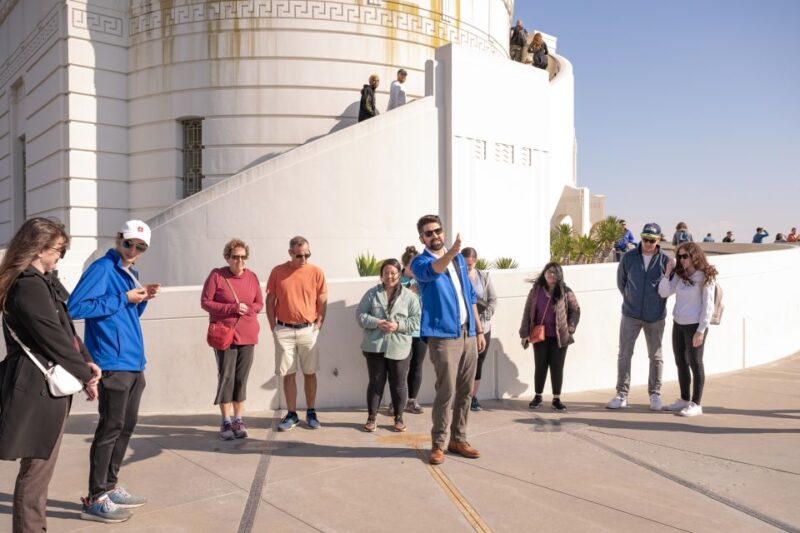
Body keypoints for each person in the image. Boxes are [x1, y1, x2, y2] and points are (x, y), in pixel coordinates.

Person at [0, 218, 101, 532]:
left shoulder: (41, 280)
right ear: (38, 247)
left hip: (46, 385)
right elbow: (51, 337)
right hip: (36, 388)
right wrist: (85, 374)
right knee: (36, 470)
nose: (61, 256)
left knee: (40, 468)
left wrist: (86, 361)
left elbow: (65, 331)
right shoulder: (28, 284)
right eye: (58, 249)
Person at [68, 220, 160, 522]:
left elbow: (125, 315)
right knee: (110, 428)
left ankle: (109, 485)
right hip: (111, 362)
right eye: (129, 243)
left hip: (133, 362)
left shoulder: (128, 273)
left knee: (126, 426)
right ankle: (95, 498)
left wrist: (141, 298)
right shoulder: (102, 269)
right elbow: (75, 308)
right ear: (119, 238)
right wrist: (123, 298)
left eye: (140, 247)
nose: (133, 250)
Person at [411, 215, 486, 465]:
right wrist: (452, 251)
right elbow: (434, 271)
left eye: (437, 231)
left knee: (466, 391)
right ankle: (438, 443)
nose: (435, 236)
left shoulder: (458, 261)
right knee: (447, 390)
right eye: (428, 233)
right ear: (422, 238)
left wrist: (478, 330)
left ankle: (458, 438)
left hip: (468, 333)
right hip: (442, 336)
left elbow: (470, 296)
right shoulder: (420, 262)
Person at [201, 239, 263, 440]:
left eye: (243, 257)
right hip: (225, 335)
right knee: (226, 377)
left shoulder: (252, 277)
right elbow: (205, 302)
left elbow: (259, 303)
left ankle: (238, 419)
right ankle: (226, 421)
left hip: (248, 335)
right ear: (227, 257)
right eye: (235, 257)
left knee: (240, 379)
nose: (240, 261)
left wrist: (250, 310)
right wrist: (232, 308)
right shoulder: (217, 276)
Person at [266, 236, 327, 431]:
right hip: (283, 329)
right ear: (291, 253)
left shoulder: (316, 272)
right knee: (288, 374)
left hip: (308, 330)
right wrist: (273, 326)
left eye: (307, 255)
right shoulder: (278, 271)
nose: (304, 259)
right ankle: (291, 414)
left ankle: (311, 412)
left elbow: (322, 299)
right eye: (300, 255)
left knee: (310, 372)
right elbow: (270, 300)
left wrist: (319, 324)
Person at [607, 223, 670, 411]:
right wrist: (630, 299)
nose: (648, 243)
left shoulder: (666, 261)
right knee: (624, 354)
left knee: (656, 356)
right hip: (631, 314)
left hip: (656, 316)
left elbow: (668, 287)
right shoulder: (629, 257)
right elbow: (622, 282)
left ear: (659, 240)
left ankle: (655, 394)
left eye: (652, 240)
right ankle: (621, 394)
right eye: (645, 239)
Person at [356, 259, 421, 432]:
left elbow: (415, 320)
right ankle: (371, 417)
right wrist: (376, 322)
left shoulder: (410, 296)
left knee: (398, 383)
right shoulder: (372, 294)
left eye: (393, 273)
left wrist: (398, 326)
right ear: (381, 275)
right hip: (374, 346)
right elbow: (360, 315)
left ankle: (399, 417)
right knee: (376, 382)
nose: (390, 276)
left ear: (399, 274)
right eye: (386, 273)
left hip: (399, 347)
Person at [659, 242, 717, 417]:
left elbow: (708, 305)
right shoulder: (680, 275)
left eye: (685, 256)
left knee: (695, 363)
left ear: (694, 256)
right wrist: (668, 273)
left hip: (695, 326)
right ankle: (684, 399)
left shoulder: (705, 276)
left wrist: (701, 330)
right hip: (678, 324)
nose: (681, 260)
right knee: (680, 362)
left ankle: (696, 403)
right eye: (679, 257)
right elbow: (663, 293)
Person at [519, 262, 580, 411]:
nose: (551, 275)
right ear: (544, 273)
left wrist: (570, 328)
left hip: (560, 337)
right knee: (540, 366)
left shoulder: (566, 291)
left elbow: (575, 310)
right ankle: (538, 396)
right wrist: (525, 333)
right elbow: (527, 311)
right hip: (540, 336)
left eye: (554, 273)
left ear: (559, 275)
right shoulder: (535, 291)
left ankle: (556, 399)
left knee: (557, 367)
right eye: (548, 272)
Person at [461, 248, 497, 412]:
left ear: (475, 261)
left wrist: (487, 315)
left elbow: (493, 299)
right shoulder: (457, 277)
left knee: (479, 361)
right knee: (464, 361)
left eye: (470, 264)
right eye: (465, 263)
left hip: (483, 325)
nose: (468, 267)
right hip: (465, 326)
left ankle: (473, 396)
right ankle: (462, 395)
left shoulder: (484, 277)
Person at [400, 246, 427, 414]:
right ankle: (398, 400)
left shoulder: (423, 281)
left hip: (420, 330)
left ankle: (412, 400)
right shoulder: (395, 280)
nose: (415, 268)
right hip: (400, 331)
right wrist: (408, 291)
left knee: (417, 365)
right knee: (399, 367)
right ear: (404, 264)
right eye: (412, 265)